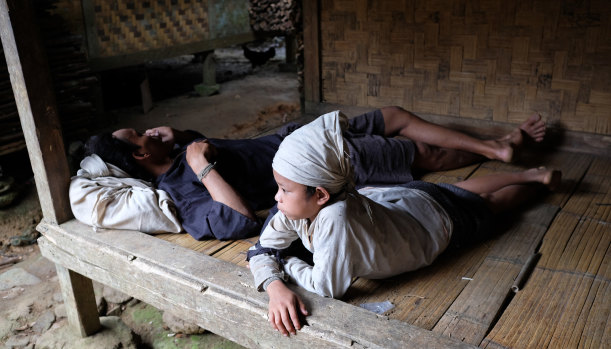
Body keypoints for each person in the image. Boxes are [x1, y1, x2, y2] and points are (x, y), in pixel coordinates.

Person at [246, 110, 561, 337]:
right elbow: (260, 248)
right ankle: (528, 173)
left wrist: (285, 264)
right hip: (402, 203)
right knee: (455, 190)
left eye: (285, 190)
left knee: (491, 205)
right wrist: (274, 287)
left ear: (320, 195)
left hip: (433, 228)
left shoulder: (335, 220)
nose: (277, 198)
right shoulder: (303, 204)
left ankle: (535, 186)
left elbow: (328, 288)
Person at [84, 106, 546, 240]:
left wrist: (182, 134)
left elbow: (222, 152)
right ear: (141, 158)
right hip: (315, 164)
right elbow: (239, 218)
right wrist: (202, 166)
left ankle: (497, 147)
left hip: (299, 132)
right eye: (140, 135)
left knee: (393, 115)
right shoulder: (182, 196)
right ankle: (501, 154)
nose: (149, 129)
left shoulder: (180, 143)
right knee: (420, 155)